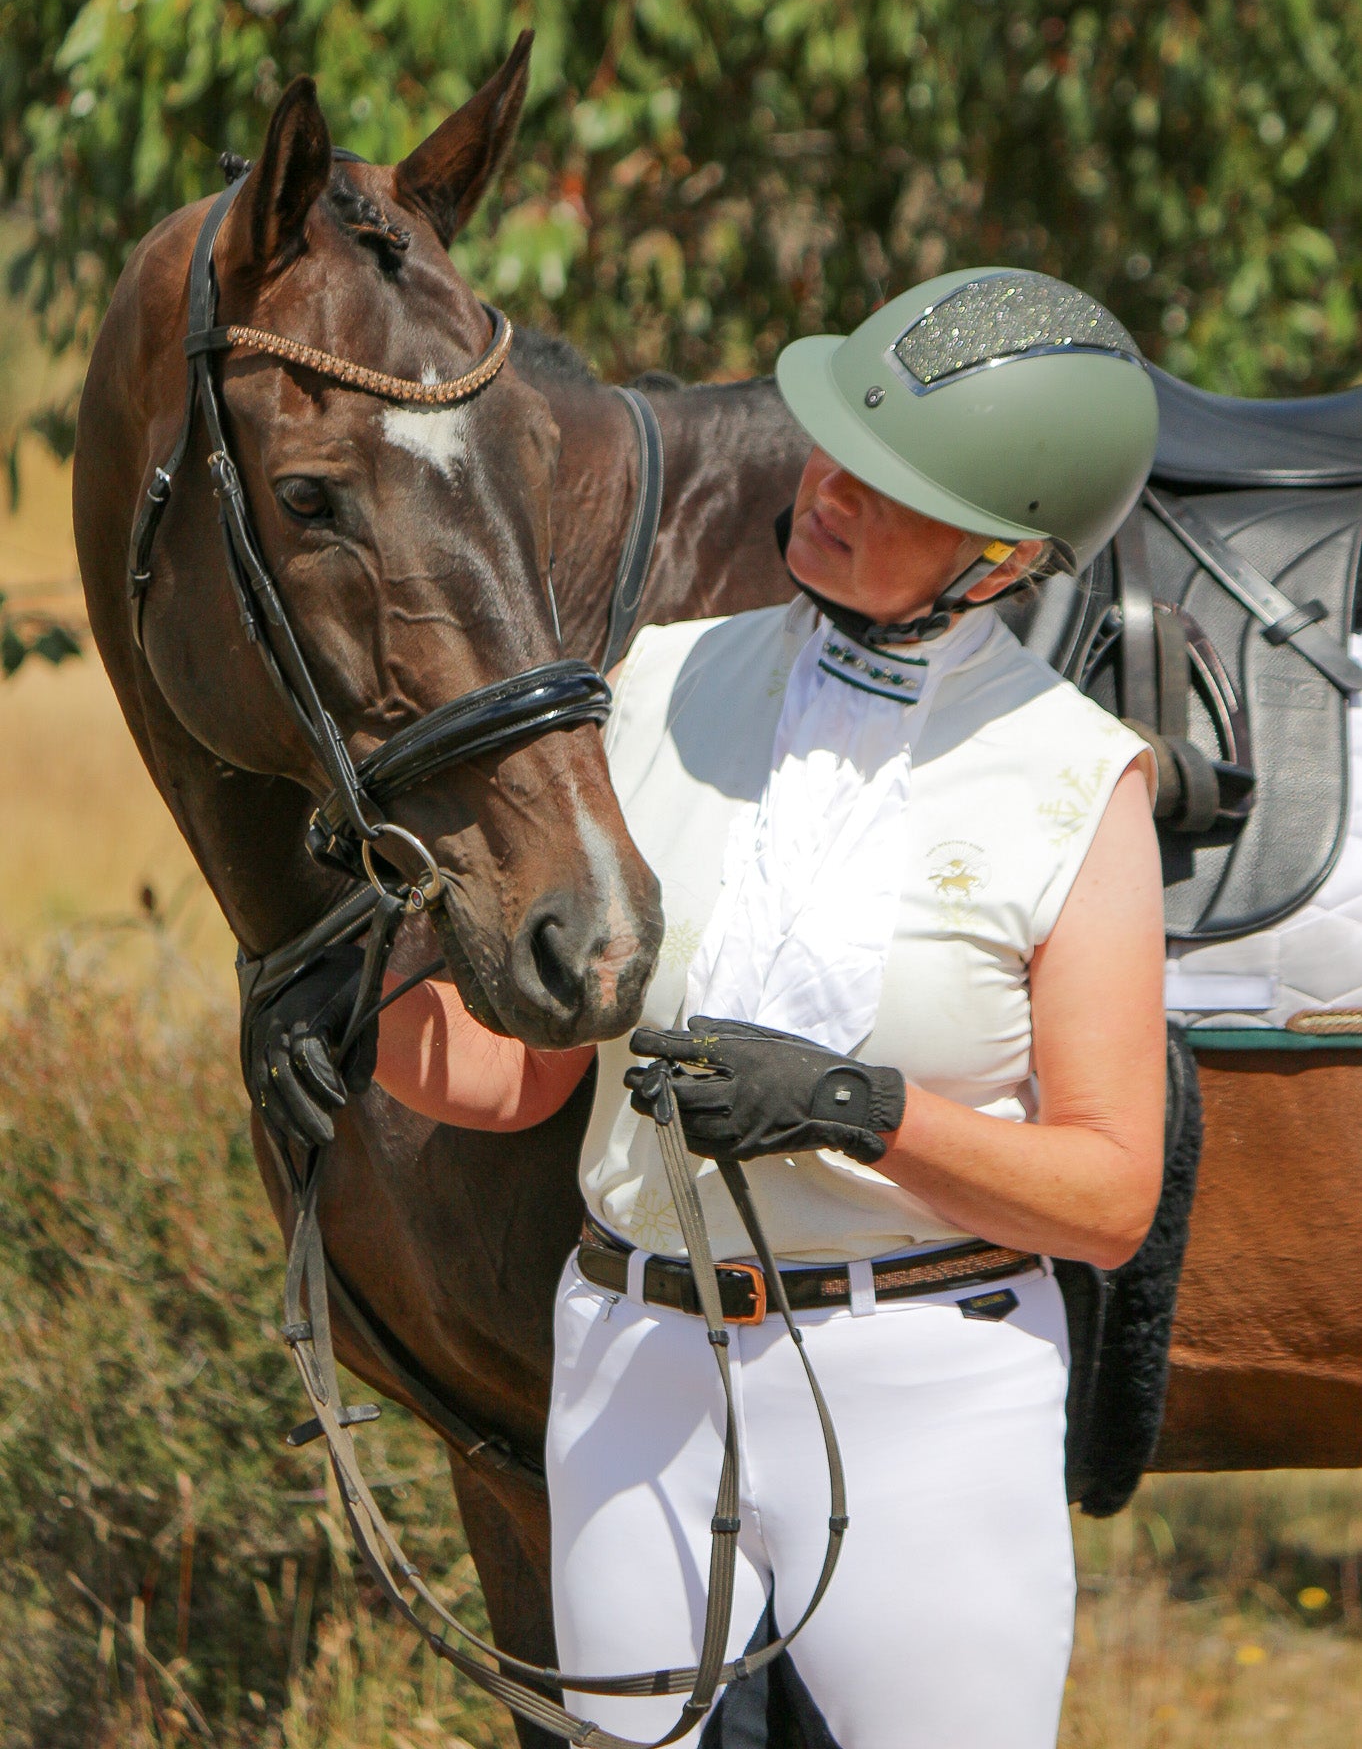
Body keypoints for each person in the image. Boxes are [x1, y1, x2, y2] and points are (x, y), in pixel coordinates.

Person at [254, 267, 1168, 1749]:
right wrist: (357, 1021)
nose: (824, 489)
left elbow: (1111, 1195)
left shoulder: (1073, 779)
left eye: (889, 485)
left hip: (927, 1393)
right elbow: (521, 1082)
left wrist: (855, 1110)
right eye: (831, 451)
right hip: (633, 1367)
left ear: (1000, 561)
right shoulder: (650, 684)